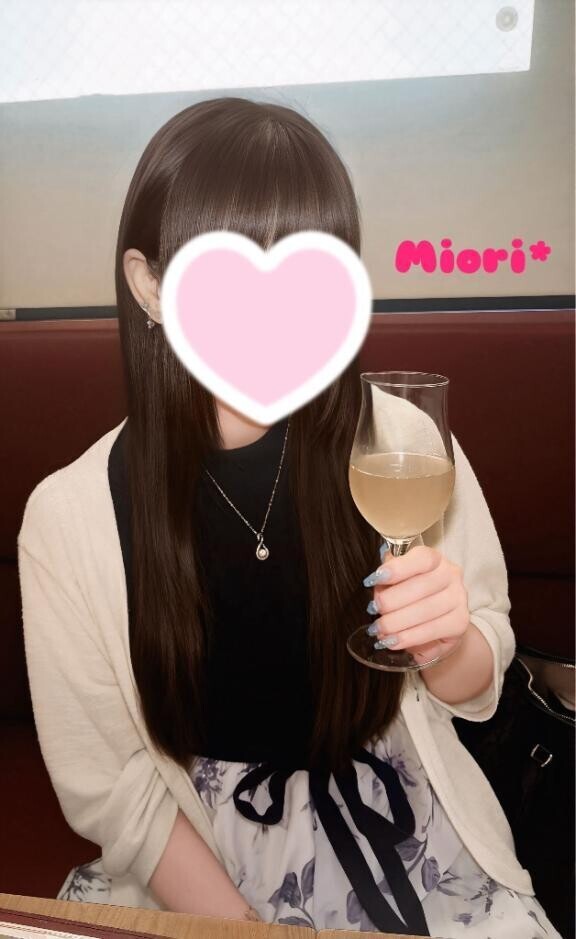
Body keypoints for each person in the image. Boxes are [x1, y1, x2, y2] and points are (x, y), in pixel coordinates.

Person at [17, 96, 561, 937]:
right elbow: (117, 787)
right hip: (199, 852)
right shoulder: (67, 519)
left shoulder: (403, 444)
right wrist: (245, 926)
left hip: (408, 812)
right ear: (150, 285)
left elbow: (480, 674)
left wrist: (450, 641)